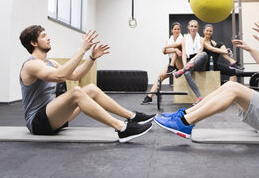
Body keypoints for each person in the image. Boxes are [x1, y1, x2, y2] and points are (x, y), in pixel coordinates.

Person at [19, 25, 155, 143]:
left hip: (54, 117)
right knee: (76, 92)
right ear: (33, 43)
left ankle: (133, 117)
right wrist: (82, 49)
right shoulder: (31, 65)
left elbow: (75, 75)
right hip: (38, 123)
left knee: (90, 89)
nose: (48, 38)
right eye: (43, 36)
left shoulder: (51, 63)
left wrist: (91, 57)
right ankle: (122, 128)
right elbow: (61, 74)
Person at [141, 22, 184, 105]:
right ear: (172, 30)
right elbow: (164, 51)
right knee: (160, 76)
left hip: (181, 63)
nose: (177, 31)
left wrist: (171, 48)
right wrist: (173, 50)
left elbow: (169, 48)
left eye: (178, 29)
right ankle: (149, 97)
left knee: (176, 48)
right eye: (175, 29)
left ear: (180, 30)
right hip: (173, 62)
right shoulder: (169, 40)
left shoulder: (182, 39)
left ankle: (171, 66)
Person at [173, 20, 208, 104]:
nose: (193, 28)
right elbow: (184, 53)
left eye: (195, 26)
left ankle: (182, 71)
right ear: (188, 27)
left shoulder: (201, 39)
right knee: (187, 73)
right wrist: (185, 65)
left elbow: (200, 52)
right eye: (191, 26)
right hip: (189, 63)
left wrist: (192, 61)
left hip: (199, 63)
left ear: (197, 28)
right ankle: (199, 97)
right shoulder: (184, 39)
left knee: (204, 54)